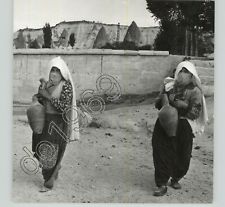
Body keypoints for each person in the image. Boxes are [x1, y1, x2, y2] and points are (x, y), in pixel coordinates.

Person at [152, 60, 208, 196]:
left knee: (183, 154)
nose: (183, 74)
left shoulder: (195, 91)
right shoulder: (169, 86)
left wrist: (176, 102)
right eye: (181, 71)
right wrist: (162, 99)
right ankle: (162, 183)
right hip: (165, 123)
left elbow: (194, 113)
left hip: (183, 124)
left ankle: (176, 177)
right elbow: (158, 105)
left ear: (191, 75)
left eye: (186, 72)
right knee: (161, 150)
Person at [33, 56, 79, 192]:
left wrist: (47, 95)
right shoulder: (48, 84)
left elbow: (64, 107)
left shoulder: (66, 86)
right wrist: (40, 93)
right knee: (41, 149)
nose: (53, 73)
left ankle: (48, 182)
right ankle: (53, 171)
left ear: (63, 73)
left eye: (57, 71)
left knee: (51, 150)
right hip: (45, 120)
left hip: (58, 123)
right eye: (52, 70)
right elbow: (40, 100)